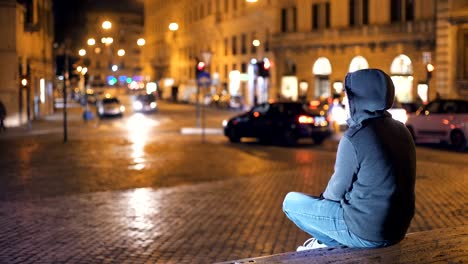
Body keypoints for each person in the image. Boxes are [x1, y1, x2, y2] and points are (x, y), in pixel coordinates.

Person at [283, 69, 416, 250]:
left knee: (290, 202)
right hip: (397, 230)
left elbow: (334, 193)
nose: (346, 101)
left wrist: (321, 207)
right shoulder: (402, 130)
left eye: (348, 96)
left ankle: (329, 242)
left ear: (358, 99)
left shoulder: (356, 136)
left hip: (367, 231)